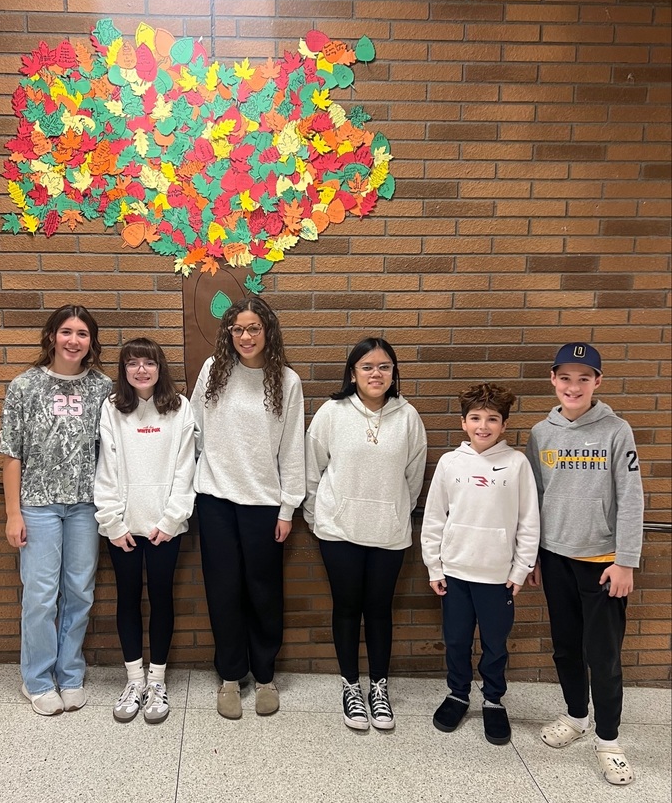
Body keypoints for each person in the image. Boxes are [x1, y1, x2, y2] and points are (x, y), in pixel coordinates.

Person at [526, 342, 644, 785]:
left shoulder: (616, 430)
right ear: (553, 380)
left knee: (603, 654)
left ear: (597, 382)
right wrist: (534, 555)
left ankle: (609, 741)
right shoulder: (541, 433)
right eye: (565, 378)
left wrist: (625, 561)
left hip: (603, 563)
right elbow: (534, 500)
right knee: (565, 646)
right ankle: (576, 716)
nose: (573, 386)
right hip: (556, 558)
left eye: (583, 378)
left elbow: (631, 499)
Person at [304, 337, 427, 732]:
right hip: (339, 530)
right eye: (367, 367)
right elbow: (311, 468)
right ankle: (351, 686)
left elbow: (413, 477)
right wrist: (317, 517)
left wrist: (395, 511)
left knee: (379, 610)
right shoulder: (332, 413)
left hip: (388, 533)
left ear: (394, 373)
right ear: (353, 373)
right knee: (346, 607)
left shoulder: (408, 417)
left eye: (384, 367)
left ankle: (378, 687)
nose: (377, 374)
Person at [190, 296, 305, 720]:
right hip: (216, 500)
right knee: (223, 592)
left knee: (264, 593)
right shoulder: (213, 371)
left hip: (263, 504)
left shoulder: (287, 381)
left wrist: (288, 508)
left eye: (253, 328)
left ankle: (265, 676)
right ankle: (230, 677)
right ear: (229, 334)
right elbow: (194, 429)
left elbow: (292, 447)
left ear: (267, 331)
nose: (245, 336)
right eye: (237, 329)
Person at [0, 305, 112, 716]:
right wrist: (14, 514)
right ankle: (37, 679)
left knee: (80, 592)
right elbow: (11, 454)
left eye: (82, 334)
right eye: (66, 331)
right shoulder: (25, 386)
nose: (73, 340)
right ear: (51, 336)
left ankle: (70, 673)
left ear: (91, 342)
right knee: (42, 595)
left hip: (85, 507)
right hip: (39, 506)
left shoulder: (103, 388)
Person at [421, 383, 540, 745]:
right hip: (455, 573)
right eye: (475, 418)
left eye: (492, 419)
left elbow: (529, 521)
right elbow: (434, 518)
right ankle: (458, 694)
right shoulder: (450, 463)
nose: (483, 426)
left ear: (504, 425)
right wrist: (434, 566)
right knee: (456, 640)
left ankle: (493, 700)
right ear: (463, 422)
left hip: (497, 577)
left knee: (495, 644)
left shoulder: (517, 464)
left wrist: (520, 569)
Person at [94, 338, 196, 725]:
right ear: (123, 370)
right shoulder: (112, 408)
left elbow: (186, 469)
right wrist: (112, 522)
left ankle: (157, 682)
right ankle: (134, 680)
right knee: (127, 598)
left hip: (165, 528)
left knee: (162, 598)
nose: (141, 370)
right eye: (132, 363)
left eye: (148, 363)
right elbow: (106, 468)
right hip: (122, 528)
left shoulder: (179, 407)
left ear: (159, 367)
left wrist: (171, 520)